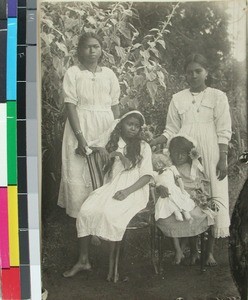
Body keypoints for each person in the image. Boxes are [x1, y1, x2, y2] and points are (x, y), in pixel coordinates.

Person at [151, 54, 232, 266]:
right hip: (185, 154)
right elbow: (171, 129)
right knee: (188, 196)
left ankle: (210, 251)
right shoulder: (178, 98)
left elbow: (223, 130)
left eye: (198, 71)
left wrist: (222, 157)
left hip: (210, 151)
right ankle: (192, 249)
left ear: (207, 72)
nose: (194, 75)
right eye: (190, 72)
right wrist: (156, 139)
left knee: (212, 196)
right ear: (185, 74)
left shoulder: (218, 96)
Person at [63, 111, 153, 280]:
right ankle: (83, 260)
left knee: (111, 214)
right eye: (129, 124)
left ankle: (113, 269)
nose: (133, 128)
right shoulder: (113, 142)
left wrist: (127, 192)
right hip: (112, 185)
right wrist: (108, 152)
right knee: (86, 210)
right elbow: (86, 149)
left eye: (136, 125)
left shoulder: (143, 146)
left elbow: (147, 176)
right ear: (121, 124)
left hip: (134, 189)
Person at [57, 32, 120, 218]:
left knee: (103, 169)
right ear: (80, 50)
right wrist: (80, 138)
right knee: (79, 171)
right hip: (81, 126)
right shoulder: (73, 73)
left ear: (101, 50)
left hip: (105, 127)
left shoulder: (109, 74)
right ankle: (80, 219)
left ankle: (101, 217)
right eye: (88, 46)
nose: (92, 50)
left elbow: (115, 106)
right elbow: (70, 105)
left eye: (96, 46)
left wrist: (115, 136)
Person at [155, 135, 215, 265]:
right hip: (179, 200)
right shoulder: (170, 169)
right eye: (176, 153)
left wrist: (202, 196)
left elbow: (202, 184)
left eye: (183, 153)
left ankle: (201, 252)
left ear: (189, 154)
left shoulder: (195, 166)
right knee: (177, 217)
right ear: (171, 154)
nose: (180, 157)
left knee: (201, 215)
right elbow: (161, 181)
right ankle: (186, 250)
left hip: (195, 198)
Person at [153, 151, 195, 223]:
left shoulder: (171, 168)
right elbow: (153, 186)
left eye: (160, 162)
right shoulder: (155, 174)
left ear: (164, 162)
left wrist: (182, 190)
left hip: (174, 189)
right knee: (170, 203)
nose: (158, 165)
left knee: (180, 200)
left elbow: (179, 180)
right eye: (156, 164)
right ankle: (178, 215)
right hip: (165, 193)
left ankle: (187, 216)